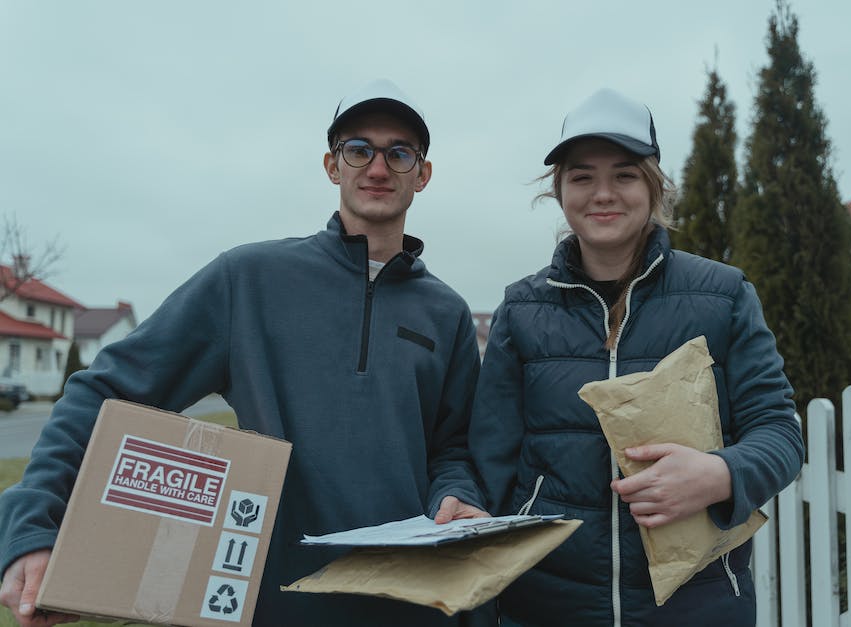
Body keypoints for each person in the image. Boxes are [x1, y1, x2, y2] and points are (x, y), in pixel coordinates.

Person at [0, 79, 491, 627]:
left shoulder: (446, 312)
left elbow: (453, 447)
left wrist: (456, 494)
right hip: (270, 599)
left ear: (421, 174)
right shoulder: (249, 280)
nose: (378, 168)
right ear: (333, 165)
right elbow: (104, 389)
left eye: (400, 153)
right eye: (359, 150)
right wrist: (33, 526)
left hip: (410, 603)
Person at [469, 88, 805, 626]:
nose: (603, 193)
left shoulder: (724, 296)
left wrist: (720, 473)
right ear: (559, 192)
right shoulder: (522, 309)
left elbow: (780, 433)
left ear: (654, 187)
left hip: (698, 605)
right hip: (546, 606)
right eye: (582, 176)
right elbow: (488, 461)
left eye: (624, 175)